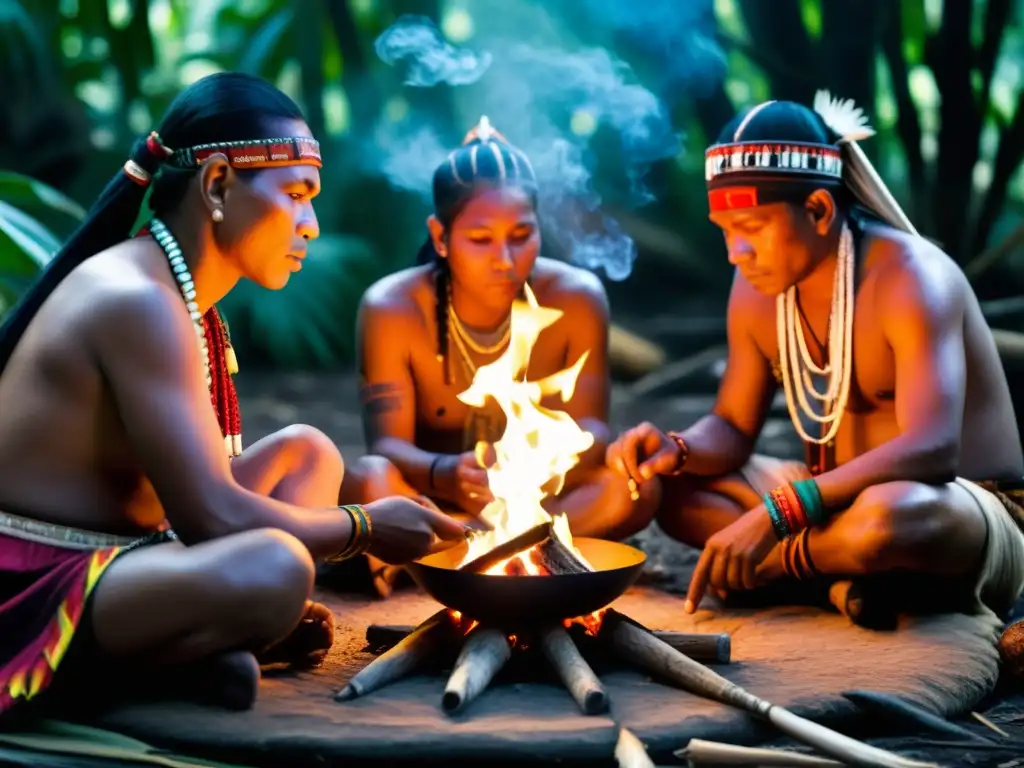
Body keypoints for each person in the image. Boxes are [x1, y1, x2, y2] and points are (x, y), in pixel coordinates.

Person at [0, 72, 466, 719]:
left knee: (308, 454)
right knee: (276, 568)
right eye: (298, 195)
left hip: (135, 547)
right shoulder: (137, 299)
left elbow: (198, 497)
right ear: (217, 185)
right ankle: (156, 657)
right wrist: (364, 527)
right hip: (35, 583)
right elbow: (210, 519)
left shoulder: (181, 293)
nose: (311, 225)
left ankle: (198, 643)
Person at [607, 91, 1024, 629]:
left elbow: (933, 449)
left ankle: (783, 569)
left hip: (962, 511)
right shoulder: (756, 288)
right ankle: (844, 577)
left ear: (820, 210)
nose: (736, 253)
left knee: (888, 520)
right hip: (829, 500)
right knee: (678, 489)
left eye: (752, 229)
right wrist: (677, 448)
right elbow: (734, 426)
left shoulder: (911, 278)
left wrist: (776, 519)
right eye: (727, 233)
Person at [337, 117, 658, 596]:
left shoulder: (576, 297)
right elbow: (387, 448)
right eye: (481, 239)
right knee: (369, 480)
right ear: (441, 237)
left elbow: (593, 429)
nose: (505, 259)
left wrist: (532, 463)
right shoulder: (392, 308)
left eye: (521, 235)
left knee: (633, 486)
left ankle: (444, 561)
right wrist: (446, 473)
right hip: (437, 508)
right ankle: (520, 553)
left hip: (547, 503)